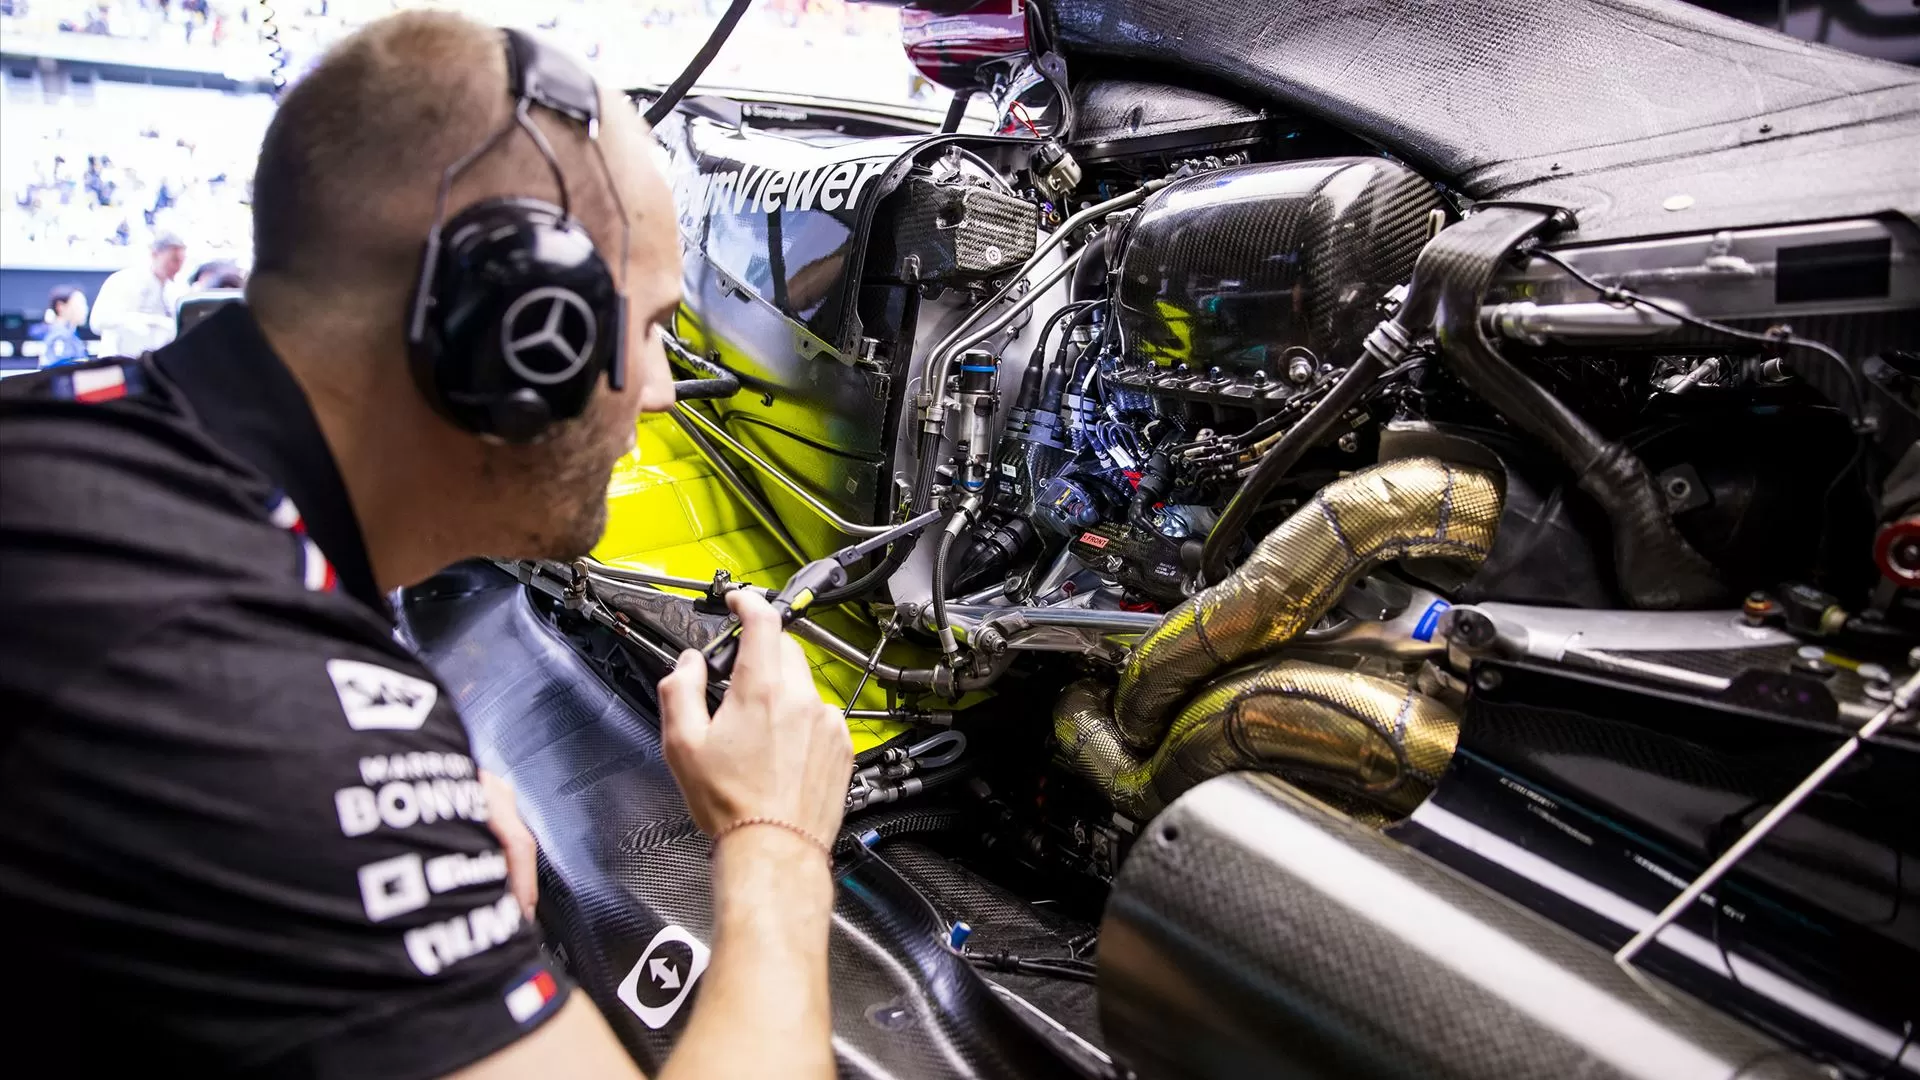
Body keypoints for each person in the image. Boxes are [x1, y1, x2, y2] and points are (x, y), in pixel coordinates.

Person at [0, 12, 850, 1078]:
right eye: (645, 330)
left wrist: (410, 804)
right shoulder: (242, 693)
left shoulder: (89, 449)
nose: (665, 394)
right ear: (515, 333)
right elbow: (259, 725)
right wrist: (776, 841)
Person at [89, 231, 187, 357]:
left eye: (181, 261)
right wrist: (146, 321)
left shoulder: (175, 290)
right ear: (154, 254)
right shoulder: (125, 280)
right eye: (174, 260)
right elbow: (98, 321)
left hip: (155, 362)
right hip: (120, 359)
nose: (177, 267)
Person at [36, 283, 90, 366]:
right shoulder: (59, 336)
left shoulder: (69, 334)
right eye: (79, 305)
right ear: (60, 306)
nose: (85, 310)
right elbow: (59, 370)